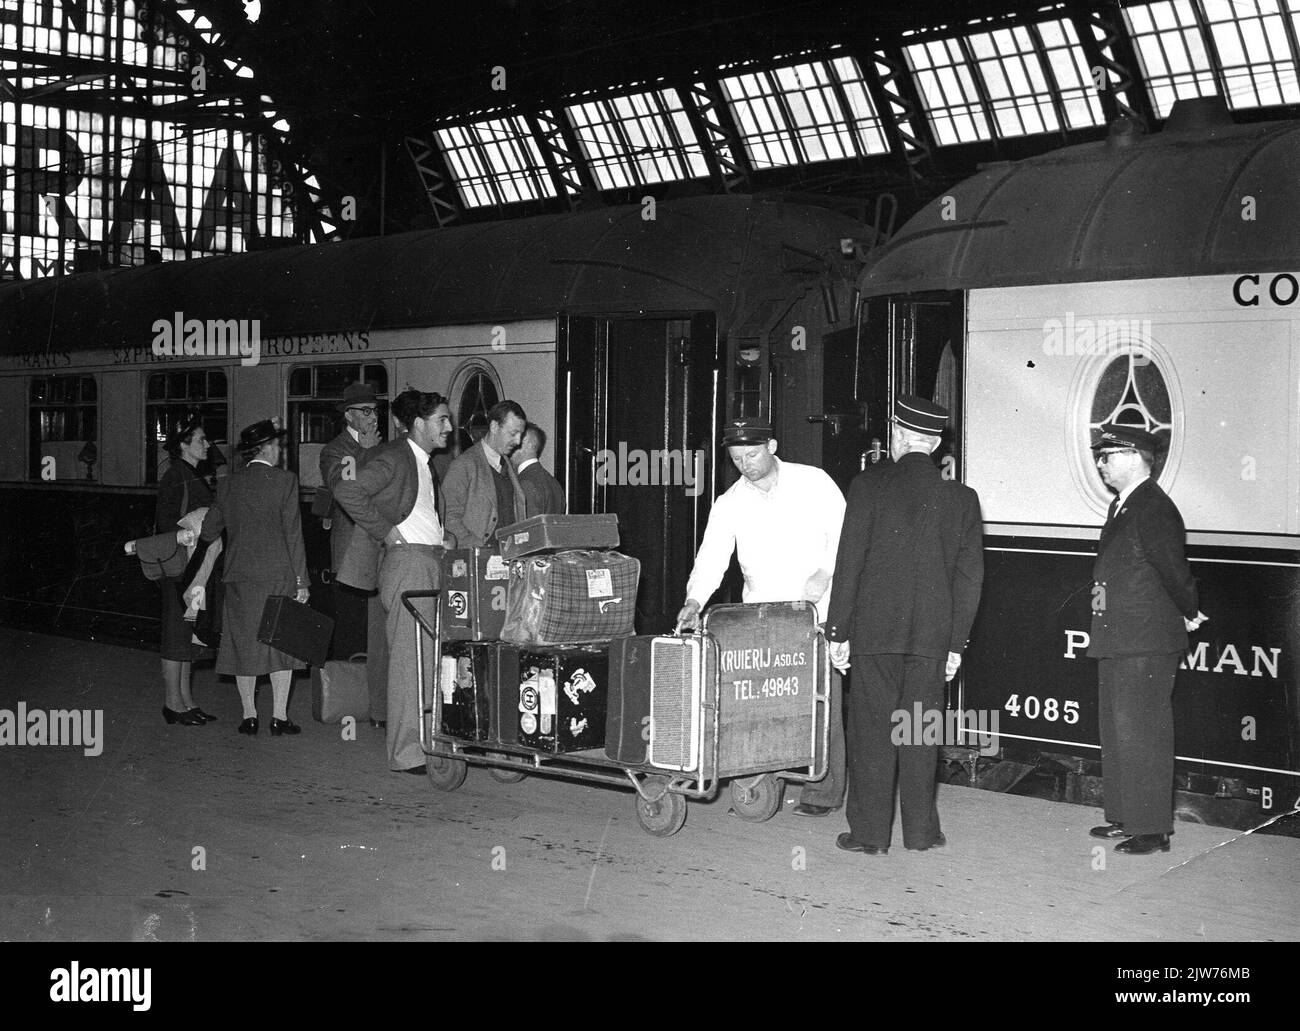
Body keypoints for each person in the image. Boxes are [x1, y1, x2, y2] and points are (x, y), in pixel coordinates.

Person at [825, 395, 983, 855]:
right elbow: (969, 580)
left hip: (874, 634)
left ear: (896, 436)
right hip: (932, 639)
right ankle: (921, 833)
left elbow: (849, 562)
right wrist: (955, 644)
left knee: (874, 733)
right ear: (934, 444)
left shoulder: (867, 486)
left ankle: (870, 835)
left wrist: (839, 632)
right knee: (919, 732)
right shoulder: (962, 499)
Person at [674, 418, 847, 817]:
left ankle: (823, 792)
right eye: (736, 459)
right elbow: (712, 558)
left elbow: (846, 534)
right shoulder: (730, 501)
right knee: (767, 702)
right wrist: (694, 600)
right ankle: (763, 782)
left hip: (814, 613)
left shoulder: (814, 482)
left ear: (771, 445)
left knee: (822, 702)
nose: (745, 464)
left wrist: (825, 571)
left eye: (751, 454)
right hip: (763, 617)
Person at [1087, 424, 1205, 856]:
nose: (1101, 464)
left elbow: (1174, 570)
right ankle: (1126, 817)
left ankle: (1153, 829)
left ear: (1136, 456)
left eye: (1109, 455)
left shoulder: (1153, 507)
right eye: (1100, 456)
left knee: (1144, 732)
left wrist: (1189, 610)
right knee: (1118, 731)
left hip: (1145, 641)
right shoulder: (1124, 505)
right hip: (1119, 638)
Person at [333, 392, 455, 774]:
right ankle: (406, 754)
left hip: (427, 560)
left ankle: (425, 744)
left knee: (424, 661)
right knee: (409, 663)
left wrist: (441, 536)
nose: (448, 427)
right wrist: (386, 531)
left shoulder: (422, 461)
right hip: (408, 566)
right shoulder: (395, 456)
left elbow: (414, 511)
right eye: (441, 419)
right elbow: (346, 489)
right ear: (419, 423)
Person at [199, 419, 310, 736]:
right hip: (279, 576)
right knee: (281, 649)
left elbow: (209, 530)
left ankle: (249, 716)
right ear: (267, 448)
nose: (280, 452)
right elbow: (294, 535)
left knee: (243, 647)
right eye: (278, 446)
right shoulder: (285, 481)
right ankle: (279, 717)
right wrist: (302, 581)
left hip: (240, 578)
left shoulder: (228, 484)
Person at [321, 381, 387, 729]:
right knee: (350, 630)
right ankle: (349, 704)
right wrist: (367, 452)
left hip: (377, 553)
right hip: (349, 558)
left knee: (374, 633)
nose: (372, 417)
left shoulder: (380, 447)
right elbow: (347, 490)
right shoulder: (335, 450)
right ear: (348, 415)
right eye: (366, 411)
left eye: (374, 410)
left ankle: (375, 703)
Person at [155, 415, 217, 726]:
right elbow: (166, 524)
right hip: (178, 566)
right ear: (184, 445)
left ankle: (187, 701)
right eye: (201, 440)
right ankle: (172, 703)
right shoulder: (175, 475)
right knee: (175, 634)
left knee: (188, 633)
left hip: (193, 567)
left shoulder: (190, 472)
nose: (208, 444)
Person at [443, 400, 528, 547]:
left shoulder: (510, 466)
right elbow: (448, 517)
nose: (518, 441)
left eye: (520, 435)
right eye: (513, 433)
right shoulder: (463, 465)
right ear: (494, 427)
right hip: (479, 560)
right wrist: (478, 548)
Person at [511, 422, 566, 516]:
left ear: (528, 444)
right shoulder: (554, 483)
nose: (510, 445)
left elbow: (527, 528)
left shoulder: (525, 482)